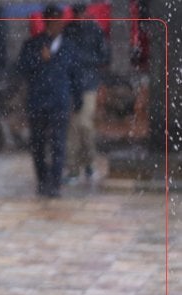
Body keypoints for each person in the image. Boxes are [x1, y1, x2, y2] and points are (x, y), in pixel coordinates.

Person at [16, 4, 82, 198]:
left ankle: (54, 183)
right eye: (52, 20)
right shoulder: (33, 44)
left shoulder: (69, 47)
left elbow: (75, 75)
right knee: (37, 144)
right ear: (46, 21)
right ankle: (42, 180)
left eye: (59, 20)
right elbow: (21, 68)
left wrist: (77, 100)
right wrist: (39, 58)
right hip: (37, 101)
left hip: (59, 101)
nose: (57, 24)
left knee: (58, 144)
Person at [63, 3, 110, 184]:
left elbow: (104, 56)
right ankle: (74, 167)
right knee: (73, 128)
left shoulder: (94, 30)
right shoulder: (68, 31)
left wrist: (84, 61)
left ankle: (89, 162)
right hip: (70, 85)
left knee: (85, 124)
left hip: (88, 84)